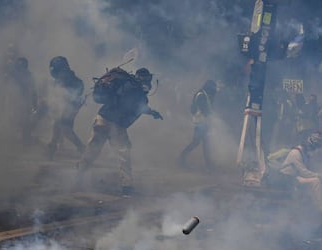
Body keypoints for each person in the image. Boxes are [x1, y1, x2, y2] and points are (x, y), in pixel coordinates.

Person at [77, 67, 163, 196]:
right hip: (115, 125)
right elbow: (137, 106)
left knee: (93, 149)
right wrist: (151, 111)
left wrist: (151, 112)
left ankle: (79, 174)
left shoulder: (126, 85)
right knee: (123, 154)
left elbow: (137, 106)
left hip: (102, 119)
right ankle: (126, 187)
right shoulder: (136, 91)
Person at [47, 56, 85, 160]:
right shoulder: (67, 75)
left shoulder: (65, 76)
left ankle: (82, 148)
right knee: (57, 129)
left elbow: (66, 93)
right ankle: (51, 150)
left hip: (68, 107)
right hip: (65, 106)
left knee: (66, 130)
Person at [178, 80, 217, 171]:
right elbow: (204, 110)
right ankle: (181, 158)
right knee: (198, 143)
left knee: (203, 144)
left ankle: (208, 165)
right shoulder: (201, 95)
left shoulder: (204, 94)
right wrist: (212, 121)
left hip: (202, 123)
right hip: (200, 123)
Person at [280, 131, 322, 211]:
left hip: (296, 177)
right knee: (316, 181)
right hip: (289, 179)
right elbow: (303, 172)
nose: (315, 151)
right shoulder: (296, 153)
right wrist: (318, 175)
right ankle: (320, 207)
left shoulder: (304, 153)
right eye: (314, 148)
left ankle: (313, 206)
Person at [11, 57, 39, 145]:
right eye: (19, 65)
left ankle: (25, 139)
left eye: (22, 65)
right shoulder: (14, 75)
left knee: (25, 121)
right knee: (15, 120)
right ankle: (17, 140)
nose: (20, 66)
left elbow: (33, 90)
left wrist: (34, 103)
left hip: (25, 100)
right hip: (15, 100)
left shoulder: (29, 75)